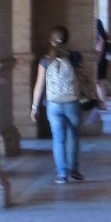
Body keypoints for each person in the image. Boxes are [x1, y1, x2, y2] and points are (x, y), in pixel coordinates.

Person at [31, 25, 90, 185]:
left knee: (58, 138)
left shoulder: (45, 61)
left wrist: (35, 107)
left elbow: (39, 85)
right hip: (72, 102)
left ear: (51, 40)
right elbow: (84, 77)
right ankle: (74, 171)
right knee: (73, 136)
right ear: (67, 40)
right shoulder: (75, 57)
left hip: (53, 104)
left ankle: (62, 173)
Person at [94, 19, 111, 110]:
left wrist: (96, 61)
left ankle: (102, 103)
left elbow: (99, 50)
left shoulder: (100, 37)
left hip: (100, 62)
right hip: (104, 61)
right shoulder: (104, 36)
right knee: (101, 83)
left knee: (99, 84)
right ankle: (103, 103)